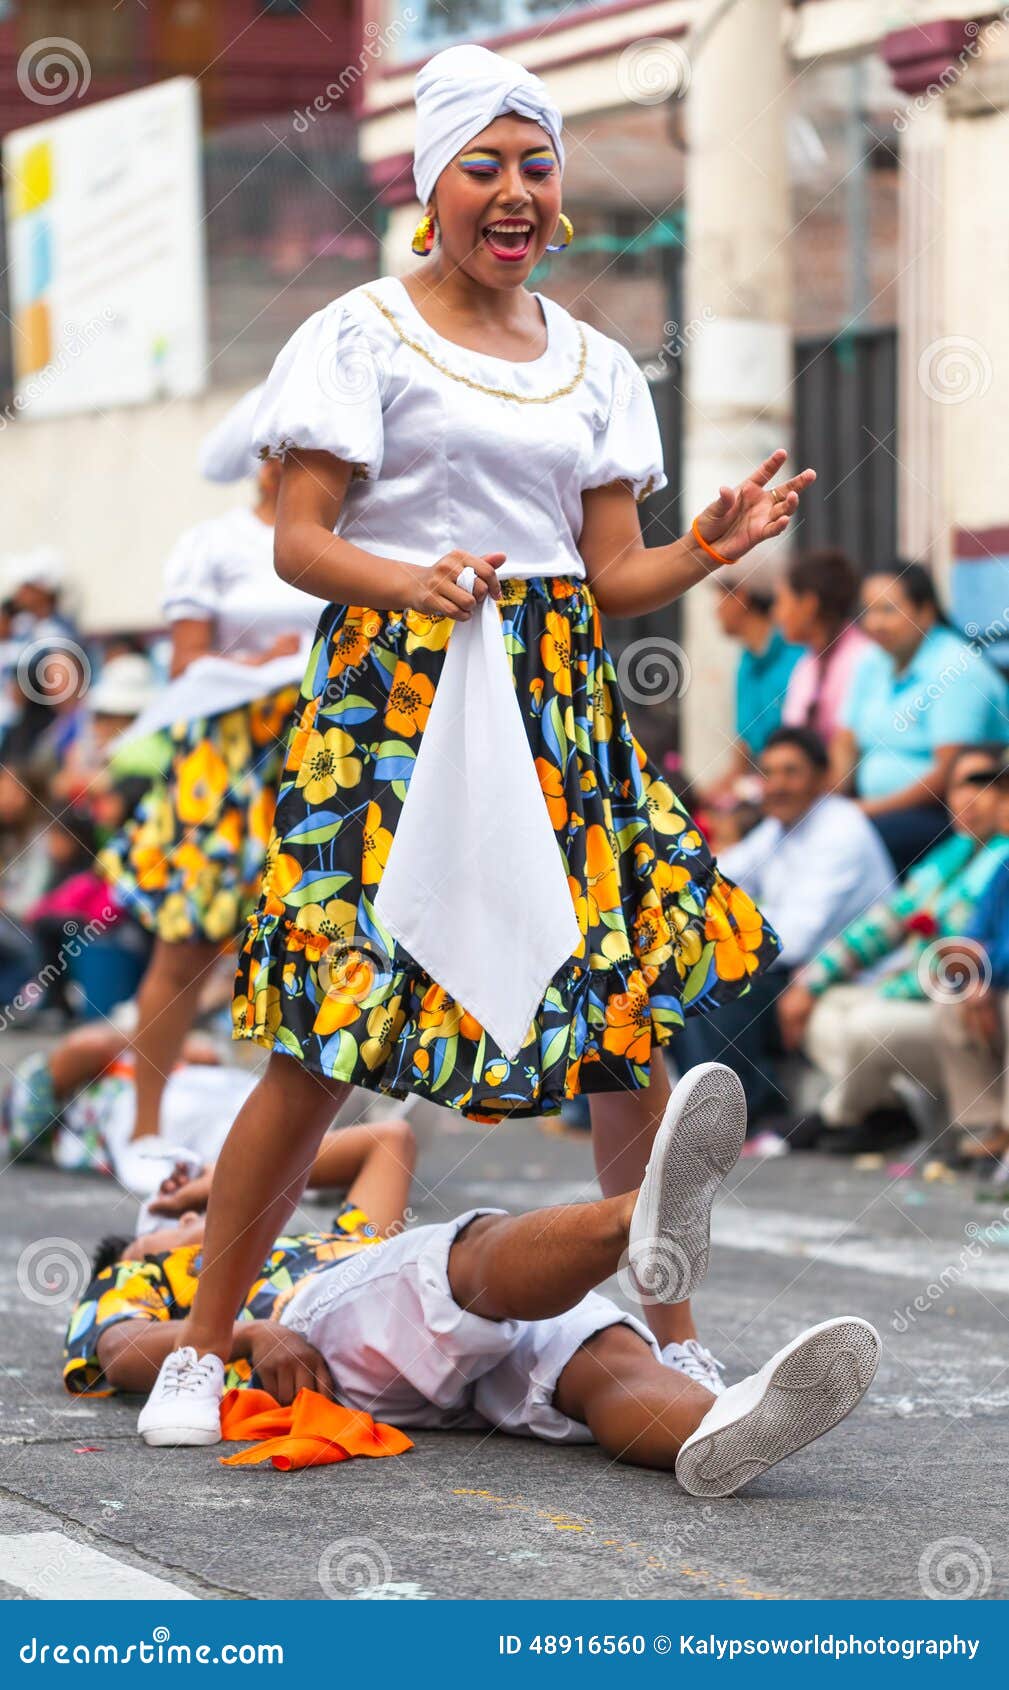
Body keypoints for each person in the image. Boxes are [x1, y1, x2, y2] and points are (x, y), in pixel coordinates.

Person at [140, 41, 817, 1443]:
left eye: (536, 165)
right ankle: (204, 1348)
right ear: (429, 189)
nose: (514, 192)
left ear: (559, 193)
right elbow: (301, 539)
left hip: (555, 701)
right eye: (484, 166)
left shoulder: (595, 364)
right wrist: (418, 583)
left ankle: (666, 1336)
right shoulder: (358, 334)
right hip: (394, 704)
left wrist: (703, 545)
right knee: (329, 1025)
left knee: (626, 1007)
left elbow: (606, 573)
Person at [66, 1070, 880, 1498]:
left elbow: (384, 1141)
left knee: (600, 1364)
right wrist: (247, 1331)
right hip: (329, 1327)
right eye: (168, 1215)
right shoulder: (147, 1273)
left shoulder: (313, 1232)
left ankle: (719, 1427)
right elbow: (123, 1351)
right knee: (463, 1260)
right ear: (143, 1241)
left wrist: (220, 1182)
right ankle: (633, 1218)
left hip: (424, 1339)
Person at [99, 388, 323, 1173]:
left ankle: (299, 1144)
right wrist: (259, 665)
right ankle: (143, 1127)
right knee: (184, 947)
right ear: (266, 462)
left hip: (317, 757)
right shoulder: (214, 544)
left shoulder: (348, 539)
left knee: (323, 948)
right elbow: (188, 663)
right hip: (225, 765)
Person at [777, 744, 1009, 1153]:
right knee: (822, 1006)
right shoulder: (949, 856)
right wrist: (810, 983)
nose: (967, 799)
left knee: (867, 1023)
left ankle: (838, 1116)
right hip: (928, 998)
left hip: (945, 1003)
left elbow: (953, 965)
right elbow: (881, 927)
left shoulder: (1000, 857)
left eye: (984, 787)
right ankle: (885, 1111)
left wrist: (892, 987)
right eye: (958, 787)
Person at [674, 727, 894, 1149]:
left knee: (721, 979)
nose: (777, 785)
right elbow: (715, 876)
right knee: (681, 964)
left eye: (791, 772)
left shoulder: (841, 830)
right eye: (769, 773)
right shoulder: (780, 828)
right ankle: (698, 1114)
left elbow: (795, 936)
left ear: (822, 777)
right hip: (794, 963)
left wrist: (721, 921)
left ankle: (751, 1113)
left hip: (845, 971)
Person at [3, 1018, 416, 1203]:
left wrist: (160, 1042)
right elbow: (84, 1047)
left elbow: (200, 1054)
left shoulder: (128, 1065)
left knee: (261, 1118)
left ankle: (358, 1138)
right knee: (250, 1135)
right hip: (135, 1110)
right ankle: (362, 1137)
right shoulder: (28, 1101)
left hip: (187, 1089)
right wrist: (155, 1033)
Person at [832, 564, 1009, 877]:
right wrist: (831, 802)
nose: (874, 623)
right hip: (870, 808)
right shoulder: (872, 661)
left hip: (941, 813)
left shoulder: (956, 669)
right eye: (868, 611)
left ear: (925, 612)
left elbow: (949, 772)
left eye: (888, 610)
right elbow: (846, 740)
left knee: (850, 845)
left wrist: (865, 811)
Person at [932, 752, 1009, 1167]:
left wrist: (990, 974)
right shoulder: (1004, 865)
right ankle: (984, 1124)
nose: (1001, 804)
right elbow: (975, 934)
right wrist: (976, 975)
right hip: (997, 980)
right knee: (951, 1001)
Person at [711, 570, 802, 791]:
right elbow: (742, 753)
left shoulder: (798, 655)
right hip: (761, 784)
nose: (716, 611)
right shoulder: (746, 662)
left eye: (720, 598)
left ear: (739, 596)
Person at [776, 547, 870, 746]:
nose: (778, 615)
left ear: (809, 604)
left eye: (783, 603)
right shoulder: (807, 663)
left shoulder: (863, 659)